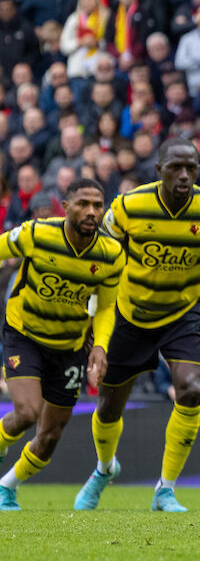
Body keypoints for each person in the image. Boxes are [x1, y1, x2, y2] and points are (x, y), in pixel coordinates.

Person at [73, 138, 200, 513]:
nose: (184, 175)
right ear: (158, 169)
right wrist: (92, 320)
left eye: (191, 168)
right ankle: (103, 469)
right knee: (109, 408)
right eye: (175, 168)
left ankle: (165, 490)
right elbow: (99, 262)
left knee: (192, 389)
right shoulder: (129, 206)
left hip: (185, 312)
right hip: (130, 314)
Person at [0, 179, 123, 510]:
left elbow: (108, 306)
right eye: (83, 204)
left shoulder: (110, 254)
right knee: (27, 413)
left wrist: (100, 346)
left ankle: (6, 486)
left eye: (98, 205)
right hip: (24, 334)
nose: (92, 212)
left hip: (69, 347)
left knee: (50, 435)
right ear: (66, 207)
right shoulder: (37, 234)